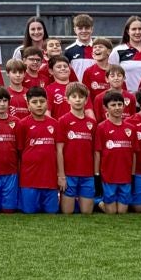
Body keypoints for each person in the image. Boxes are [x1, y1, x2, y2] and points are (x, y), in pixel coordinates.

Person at [14, 86, 61, 214]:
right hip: (29, 180)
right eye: (34, 102)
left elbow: (58, 152)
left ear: (47, 103)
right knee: (29, 212)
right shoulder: (22, 124)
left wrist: (60, 175)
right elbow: (19, 153)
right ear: (28, 105)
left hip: (50, 179)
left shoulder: (54, 124)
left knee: (52, 212)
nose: (39, 105)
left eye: (42, 101)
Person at [57, 83, 96, 215]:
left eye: (81, 97)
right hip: (69, 174)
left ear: (86, 100)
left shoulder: (92, 123)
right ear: (67, 100)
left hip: (87, 174)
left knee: (86, 212)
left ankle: (99, 202)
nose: (78, 100)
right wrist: (61, 175)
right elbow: (59, 151)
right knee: (67, 212)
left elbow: (94, 150)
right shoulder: (62, 121)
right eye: (74, 97)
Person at [94, 91, 135, 215]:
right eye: (113, 105)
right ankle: (98, 202)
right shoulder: (101, 127)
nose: (117, 108)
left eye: (119, 104)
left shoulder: (131, 128)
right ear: (106, 108)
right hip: (108, 176)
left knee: (122, 212)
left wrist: (133, 174)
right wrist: (97, 175)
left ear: (124, 106)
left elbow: (134, 153)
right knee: (111, 212)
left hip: (125, 176)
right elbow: (97, 153)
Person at [113, 16, 141, 92]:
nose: (137, 32)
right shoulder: (117, 51)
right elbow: (111, 76)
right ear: (128, 31)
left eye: (140, 29)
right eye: (134, 29)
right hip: (125, 97)